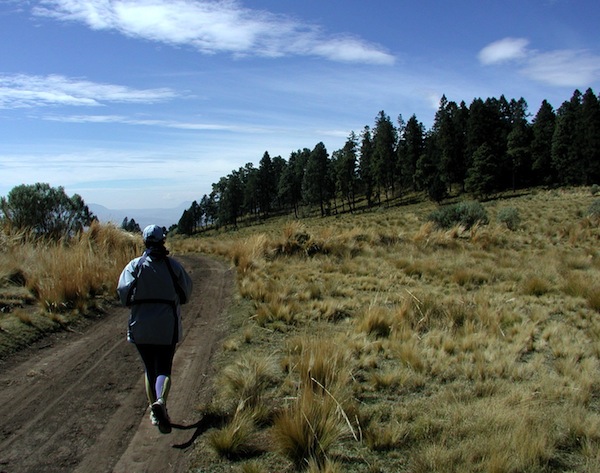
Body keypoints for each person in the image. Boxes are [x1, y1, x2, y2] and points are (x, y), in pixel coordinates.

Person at [117, 224, 193, 434]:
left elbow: (123, 294)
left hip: (140, 326)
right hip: (166, 326)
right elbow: (186, 292)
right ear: (162, 241)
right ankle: (161, 401)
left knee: (149, 368)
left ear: (145, 242)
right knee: (164, 368)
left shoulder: (134, 266)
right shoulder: (172, 266)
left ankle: (154, 411)